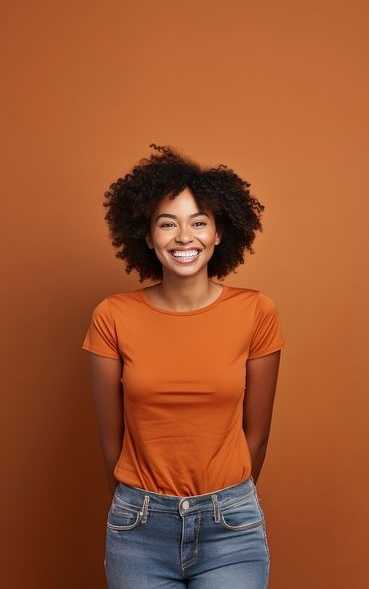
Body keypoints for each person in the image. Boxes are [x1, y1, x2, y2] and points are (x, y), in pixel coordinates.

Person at [82, 144, 285, 588]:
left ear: (218, 234)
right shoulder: (112, 316)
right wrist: (142, 506)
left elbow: (258, 434)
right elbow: (109, 443)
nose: (183, 236)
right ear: (147, 235)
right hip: (140, 525)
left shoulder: (256, 312)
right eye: (167, 223)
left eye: (198, 222)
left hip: (230, 526)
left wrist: (226, 498)